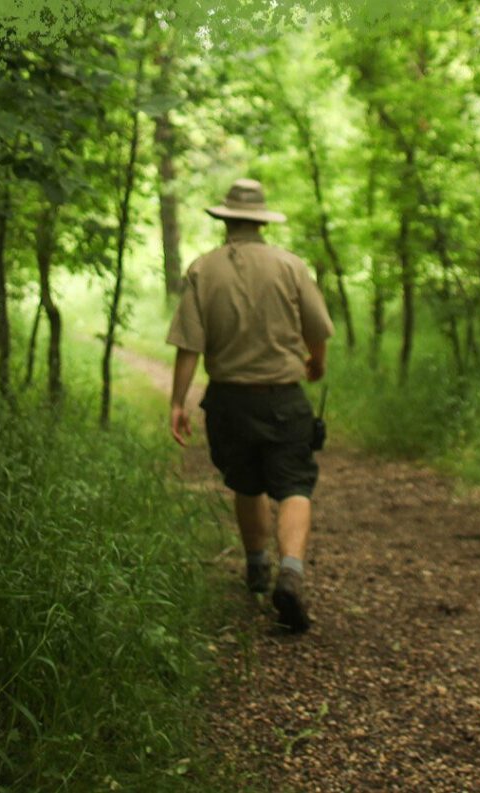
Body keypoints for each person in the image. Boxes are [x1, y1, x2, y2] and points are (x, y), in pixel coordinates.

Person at [167, 178, 334, 633]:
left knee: (247, 481)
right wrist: (313, 365)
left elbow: (188, 346)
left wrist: (178, 403)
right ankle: (292, 572)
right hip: (283, 396)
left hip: (228, 399)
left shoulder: (203, 270)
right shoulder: (291, 266)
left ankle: (257, 565)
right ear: (261, 221)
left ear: (226, 220)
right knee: (295, 483)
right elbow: (317, 330)